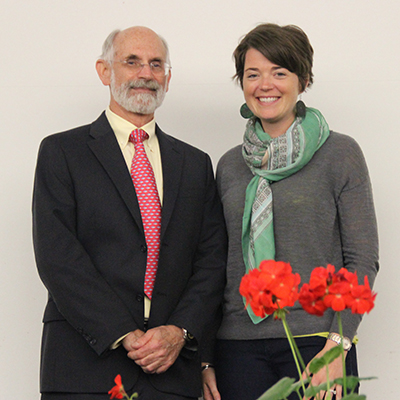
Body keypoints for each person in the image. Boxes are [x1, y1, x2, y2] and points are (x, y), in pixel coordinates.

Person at [32, 26, 227, 400]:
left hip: (172, 372)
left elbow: (212, 260)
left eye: (156, 64)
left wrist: (179, 332)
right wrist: (125, 334)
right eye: (132, 61)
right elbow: (58, 257)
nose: (145, 73)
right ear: (105, 71)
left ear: (167, 78)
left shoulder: (195, 163)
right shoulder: (62, 152)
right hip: (83, 368)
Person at [201, 23, 379, 400]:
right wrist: (204, 358)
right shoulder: (230, 165)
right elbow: (215, 264)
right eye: (253, 74)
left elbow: (362, 258)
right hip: (236, 347)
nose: (266, 84)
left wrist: (338, 344)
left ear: (303, 79)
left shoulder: (340, 154)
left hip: (317, 343)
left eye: (279, 72)